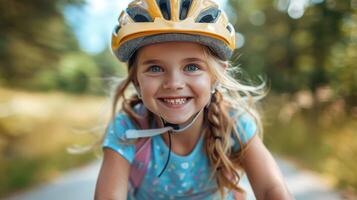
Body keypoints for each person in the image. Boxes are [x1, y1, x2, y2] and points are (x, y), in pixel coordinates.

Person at [95, 0, 292, 199]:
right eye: (155, 68)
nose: (174, 83)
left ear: (215, 77)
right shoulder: (128, 129)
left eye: (191, 67)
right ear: (136, 81)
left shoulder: (234, 123)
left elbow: (270, 189)